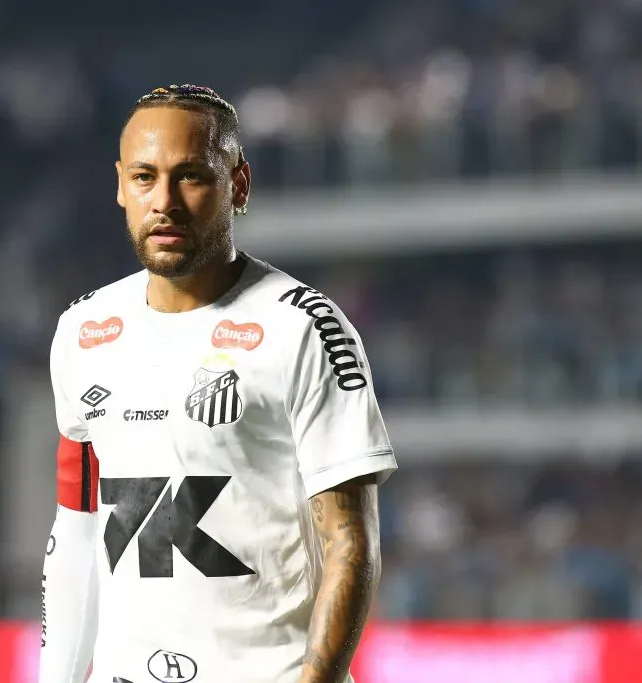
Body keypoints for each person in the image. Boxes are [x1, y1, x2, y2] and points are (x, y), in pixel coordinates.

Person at [39, 84, 396, 683]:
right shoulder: (82, 331)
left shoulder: (303, 327)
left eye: (192, 176)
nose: (165, 202)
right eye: (145, 177)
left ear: (239, 185)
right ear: (120, 186)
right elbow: (76, 533)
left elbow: (349, 543)